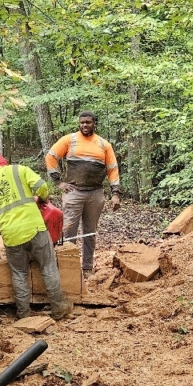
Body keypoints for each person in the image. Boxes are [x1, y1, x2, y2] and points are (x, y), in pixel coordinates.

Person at [0, 153, 73, 321]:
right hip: (34, 228)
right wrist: (40, 198)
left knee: (18, 273)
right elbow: (42, 186)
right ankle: (58, 307)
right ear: (3, 162)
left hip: (10, 235)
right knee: (48, 266)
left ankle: (23, 313)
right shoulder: (18, 170)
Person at [45, 112, 120, 278]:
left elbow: (113, 169)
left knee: (90, 232)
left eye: (88, 122)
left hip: (95, 193)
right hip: (74, 192)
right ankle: (68, 267)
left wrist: (115, 194)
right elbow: (51, 157)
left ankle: (87, 268)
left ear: (94, 123)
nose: (85, 125)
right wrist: (58, 182)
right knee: (68, 230)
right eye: (82, 123)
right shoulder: (69, 140)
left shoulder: (103, 144)